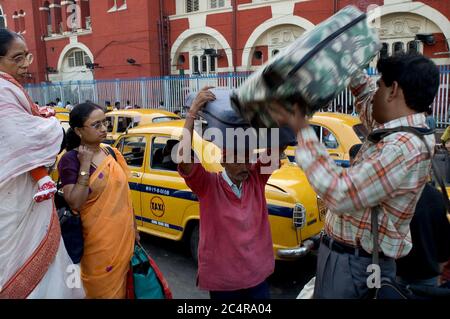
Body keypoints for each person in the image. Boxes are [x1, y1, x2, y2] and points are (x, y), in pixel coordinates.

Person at [270, 53, 440, 298]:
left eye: (379, 85)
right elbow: (369, 104)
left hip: (355, 266)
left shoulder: (402, 146)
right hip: (350, 260)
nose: (375, 93)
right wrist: (349, 67)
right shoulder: (407, 129)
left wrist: (301, 127)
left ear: (393, 91)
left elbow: (340, 192)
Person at [0, 28, 84, 299]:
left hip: (21, 197)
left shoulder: (13, 92)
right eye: (17, 58)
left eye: (27, 56)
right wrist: (53, 125)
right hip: (13, 204)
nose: (25, 64)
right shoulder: (2, 94)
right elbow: (24, 139)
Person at [177, 87, 282, 299]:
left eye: (248, 159)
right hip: (224, 283)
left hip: (256, 278)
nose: (245, 165)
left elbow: (277, 146)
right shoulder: (208, 185)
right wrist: (192, 112)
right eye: (237, 160)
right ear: (223, 161)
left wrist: (269, 113)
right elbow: (184, 159)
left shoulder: (256, 179)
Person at [58, 102, 139, 298]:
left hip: (124, 239)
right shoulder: (70, 160)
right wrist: (85, 164)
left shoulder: (110, 152)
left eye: (105, 123)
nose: (104, 129)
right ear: (78, 131)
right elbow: (75, 202)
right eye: (96, 125)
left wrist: (134, 229)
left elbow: (124, 194)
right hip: (96, 246)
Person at [396, 182, 450, 287]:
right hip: (428, 271)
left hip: (400, 270)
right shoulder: (436, 196)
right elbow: (444, 241)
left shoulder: (394, 194)